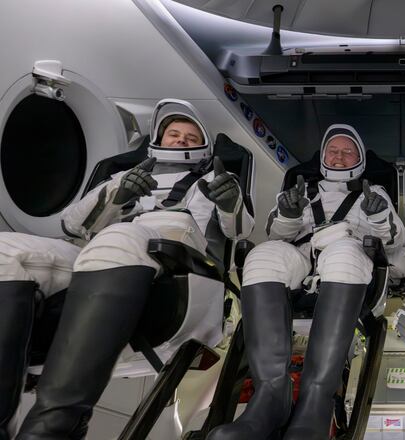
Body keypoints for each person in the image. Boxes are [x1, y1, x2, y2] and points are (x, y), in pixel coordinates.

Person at [0, 99, 253, 439]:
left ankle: (53, 429)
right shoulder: (121, 178)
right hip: (96, 260)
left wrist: (229, 200)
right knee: (7, 250)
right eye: (173, 133)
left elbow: (239, 229)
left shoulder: (214, 181)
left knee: (120, 236)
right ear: (157, 140)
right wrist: (117, 196)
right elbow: (73, 225)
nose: (180, 140)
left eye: (190, 137)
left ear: (204, 148)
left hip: (178, 266)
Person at [207, 124, 405, 440]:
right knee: (264, 254)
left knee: (342, 253)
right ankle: (271, 395)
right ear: (323, 156)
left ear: (359, 158)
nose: (340, 157)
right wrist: (288, 214)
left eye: (348, 151)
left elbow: (394, 240)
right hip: (301, 257)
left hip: (349, 254)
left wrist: (379, 217)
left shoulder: (374, 193)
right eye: (333, 151)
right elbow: (277, 236)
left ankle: (317, 398)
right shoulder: (299, 190)